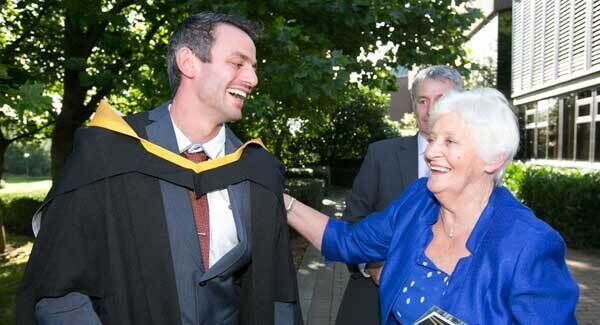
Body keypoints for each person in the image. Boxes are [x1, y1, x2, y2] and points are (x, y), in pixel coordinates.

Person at [17, 13, 301, 325]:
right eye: (238, 63)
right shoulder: (108, 154)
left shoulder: (257, 169)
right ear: (188, 62)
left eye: (253, 67)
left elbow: (277, 293)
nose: (252, 79)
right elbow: (59, 290)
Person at [285, 88, 579, 324]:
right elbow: (346, 240)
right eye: (433, 139)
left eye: (450, 142)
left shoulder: (529, 245)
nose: (431, 152)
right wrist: (282, 202)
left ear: (493, 159)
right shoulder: (416, 202)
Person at [336, 65, 463, 325]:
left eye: (441, 101)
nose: (430, 111)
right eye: (422, 101)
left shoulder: (476, 164)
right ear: (414, 106)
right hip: (374, 301)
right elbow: (352, 221)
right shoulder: (381, 156)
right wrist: (374, 266)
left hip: (453, 304)